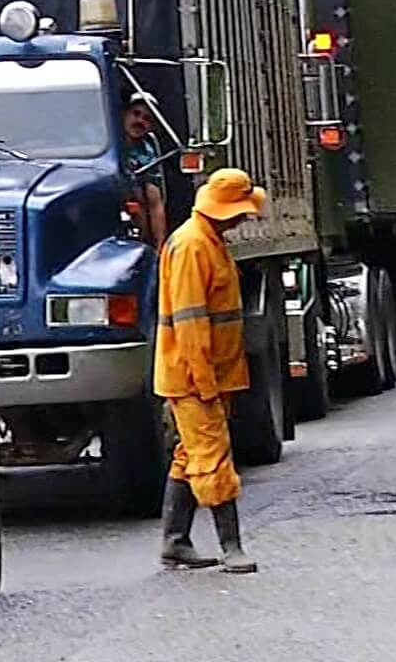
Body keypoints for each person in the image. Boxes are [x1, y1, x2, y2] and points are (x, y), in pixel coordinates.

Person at [155, 168, 266, 574]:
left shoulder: (208, 241)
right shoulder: (191, 246)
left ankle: (175, 543)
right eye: (241, 211)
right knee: (213, 458)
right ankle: (232, 547)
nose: (244, 218)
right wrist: (204, 383)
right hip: (194, 377)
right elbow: (190, 323)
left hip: (211, 374)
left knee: (191, 456)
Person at [122, 91, 171, 247]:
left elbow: (154, 201)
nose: (139, 121)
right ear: (124, 114)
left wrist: (159, 248)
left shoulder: (147, 151)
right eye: (136, 114)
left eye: (147, 119)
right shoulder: (98, 139)